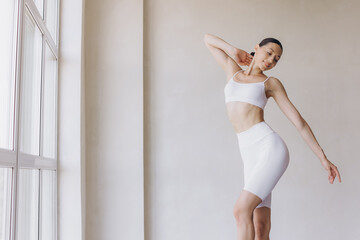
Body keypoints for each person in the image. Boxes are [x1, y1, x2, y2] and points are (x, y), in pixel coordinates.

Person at [204, 33, 341, 240]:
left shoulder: (270, 83)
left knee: (241, 211)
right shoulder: (233, 72)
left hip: (269, 149)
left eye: (276, 59)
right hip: (248, 154)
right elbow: (207, 39)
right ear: (256, 47)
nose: (270, 61)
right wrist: (233, 50)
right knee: (260, 226)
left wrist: (323, 158)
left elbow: (300, 123)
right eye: (269, 53)